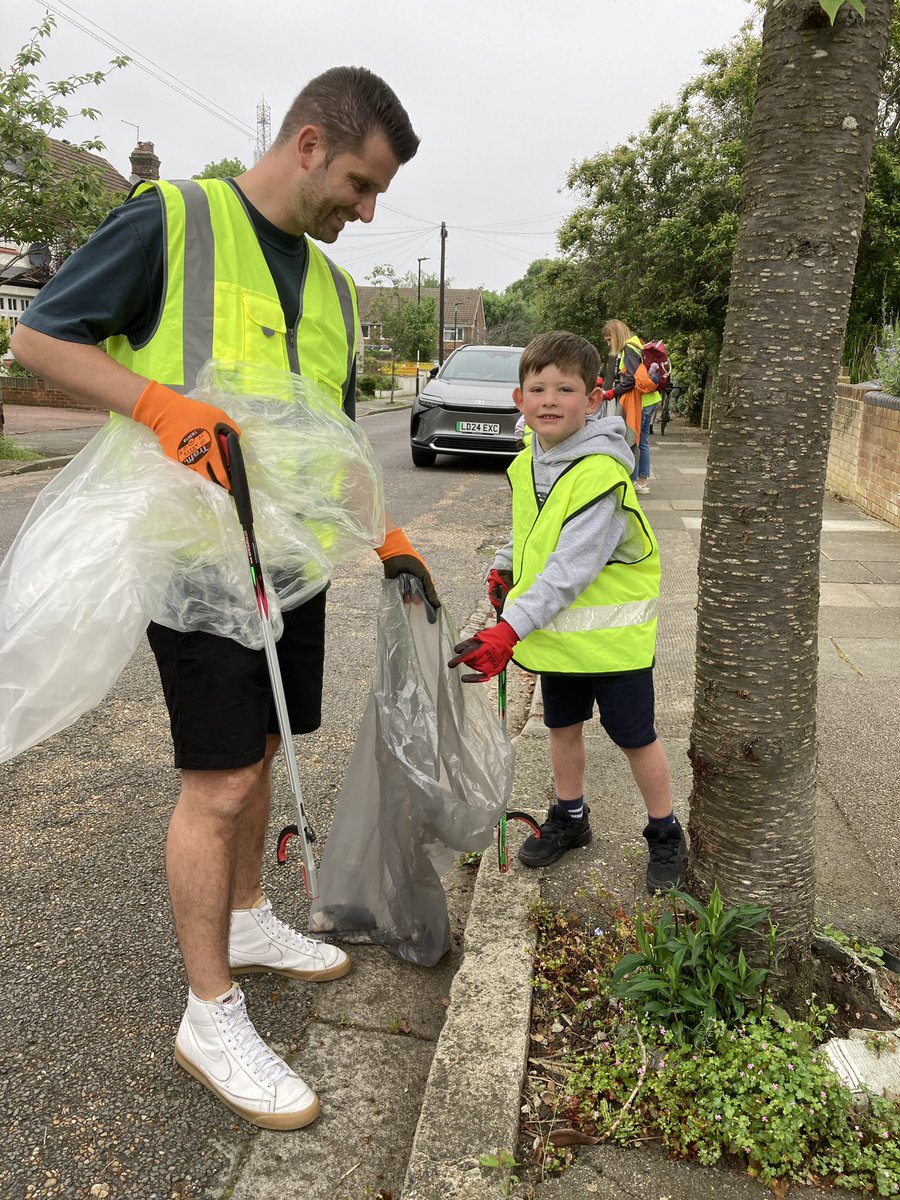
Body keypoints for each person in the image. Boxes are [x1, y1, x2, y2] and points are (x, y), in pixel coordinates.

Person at [11, 66, 438, 1132]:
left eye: (379, 193)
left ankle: (250, 916)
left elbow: (333, 437)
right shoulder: (177, 219)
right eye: (359, 181)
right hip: (194, 560)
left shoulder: (337, 291)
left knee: (265, 749)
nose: (368, 210)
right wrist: (158, 406)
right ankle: (211, 1012)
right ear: (305, 144)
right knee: (219, 781)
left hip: (288, 563)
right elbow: (39, 338)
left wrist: (384, 533)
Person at [450, 331, 686, 895]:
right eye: (538, 388)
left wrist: (508, 631)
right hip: (560, 639)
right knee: (561, 728)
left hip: (612, 644)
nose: (550, 399)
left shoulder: (600, 474)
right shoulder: (532, 458)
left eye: (565, 388)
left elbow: (570, 568)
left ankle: (664, 832)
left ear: (594, 398)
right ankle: (571, 817)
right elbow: (526, 531)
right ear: (519, 399)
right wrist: (505, 567)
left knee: (635, 738)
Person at [602, 318, 659, 495]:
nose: (609, 344)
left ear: (616, 335)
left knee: (634, 440)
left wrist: (613, 392)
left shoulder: (628, 348)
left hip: (640, 401)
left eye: (609, 340)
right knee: (642, 441)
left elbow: (631, 379)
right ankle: (641, 479)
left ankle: (636, 481)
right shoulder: (636, 344)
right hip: (648, 399)